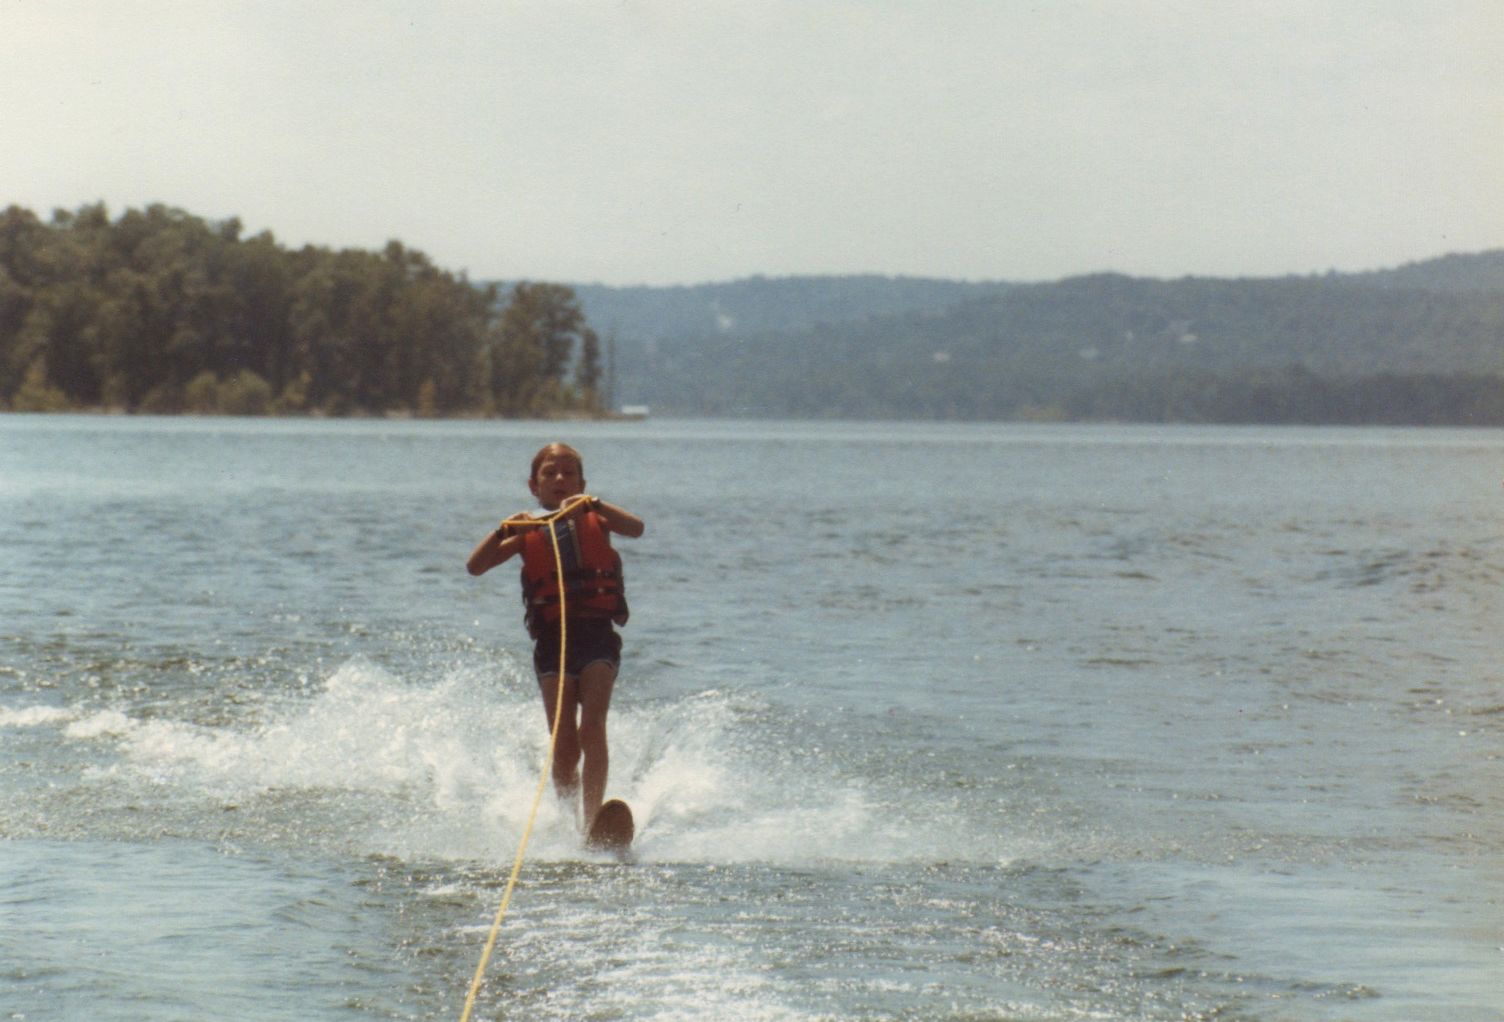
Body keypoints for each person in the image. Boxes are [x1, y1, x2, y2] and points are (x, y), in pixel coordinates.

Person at [467, 442, 644, 830]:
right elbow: (475, 567)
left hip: (597, 636)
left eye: (568, 473)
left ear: (582, 483)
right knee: (563, 745)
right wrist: (502, 530)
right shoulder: (526, 532)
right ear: (534, 486)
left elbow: (637, 528)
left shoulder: (597, 517)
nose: (560, 479)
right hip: (553, 643)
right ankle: (570, 824)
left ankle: (593, 819)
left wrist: (595, 504)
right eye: (549, 473)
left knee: (592, 727)